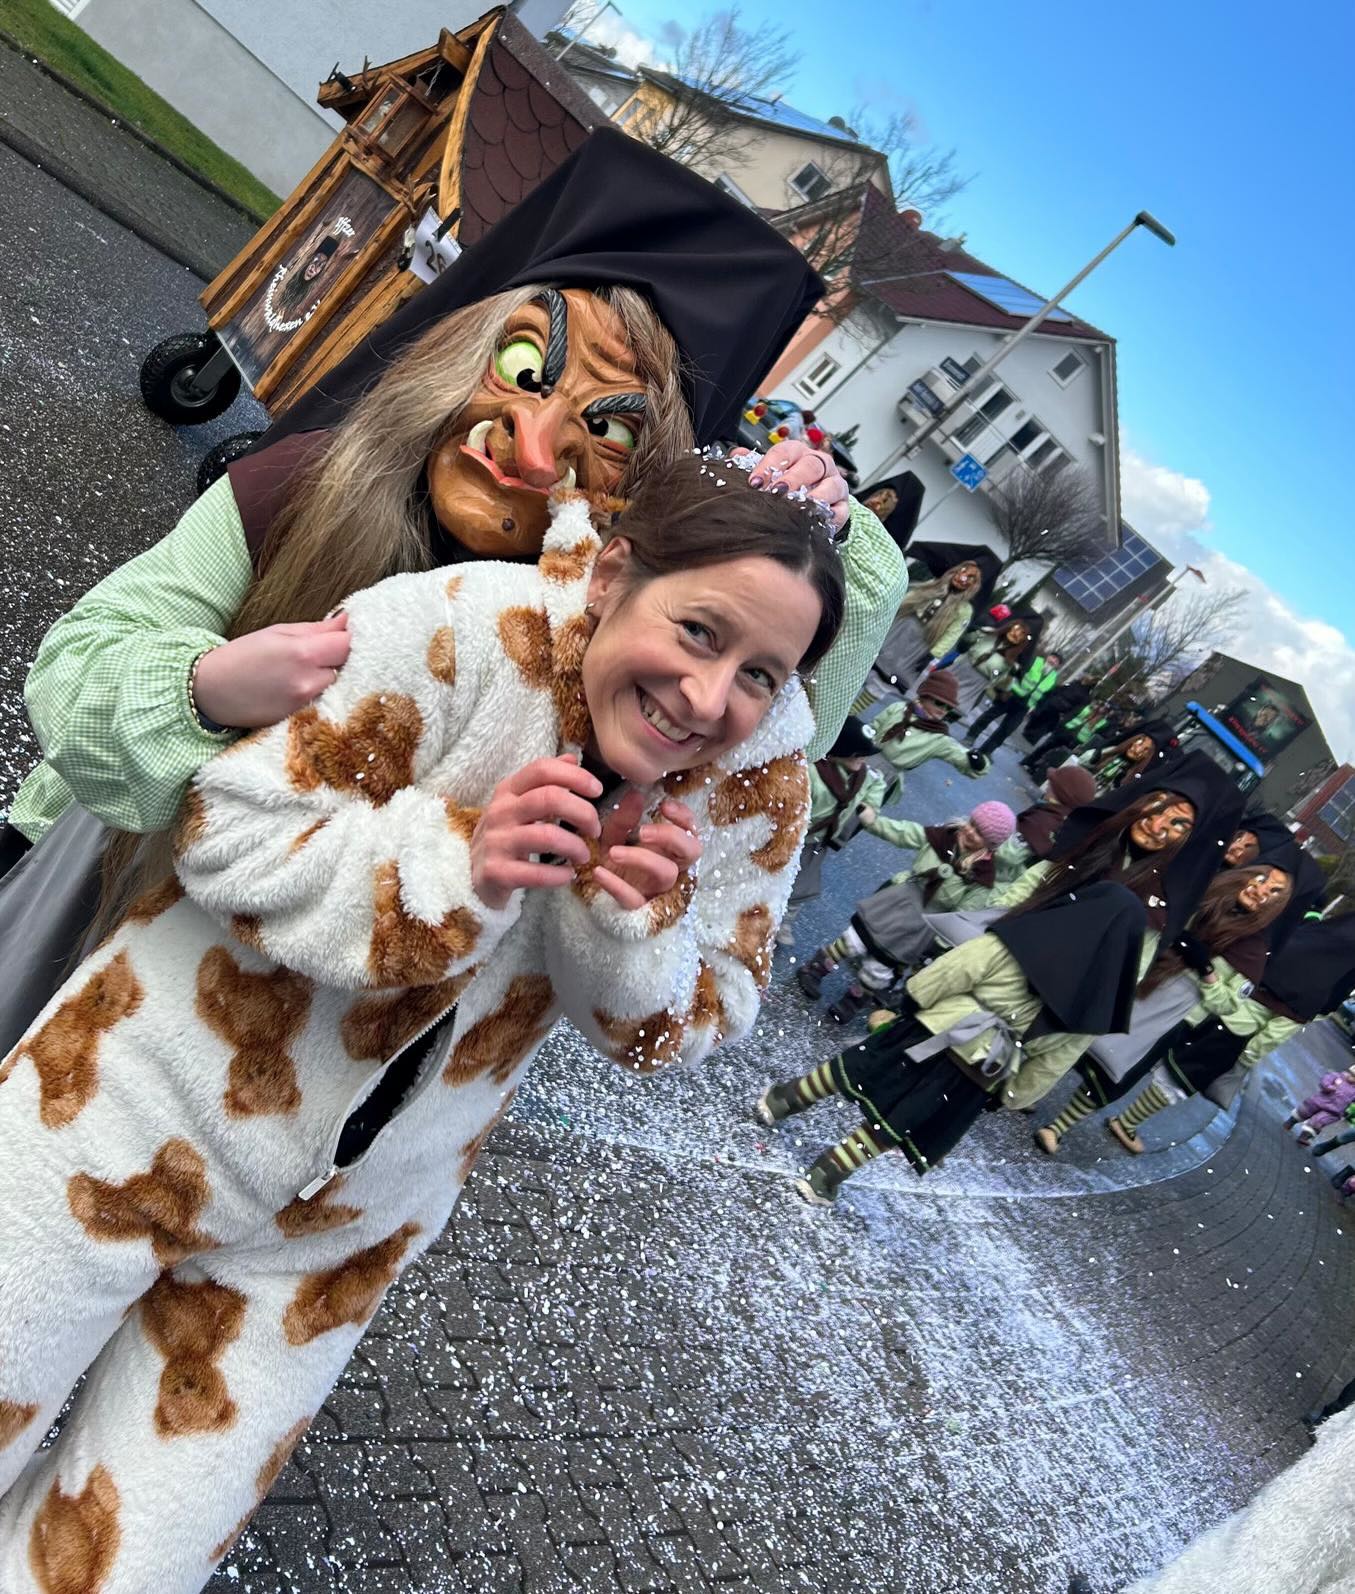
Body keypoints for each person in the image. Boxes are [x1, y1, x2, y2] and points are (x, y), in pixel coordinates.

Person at [0, 457, 842, 1591]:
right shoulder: (456, 625)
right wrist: (454, 865)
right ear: (613, 574)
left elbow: (681, 1026)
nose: (708, 700)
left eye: (760, 674)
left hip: (330, 1245)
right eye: (698, 632)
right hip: (127, 1111)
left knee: (114, 1569)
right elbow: (224, 830)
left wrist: (629, 932)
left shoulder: (752, 788)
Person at [0, 129, 905, 1055]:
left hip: (296, 1046)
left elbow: (783, 726)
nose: (535, 446)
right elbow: (82, 666)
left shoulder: (607, 634)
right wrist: (202, 692)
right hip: (102, 892)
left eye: (612, 433)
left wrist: (832, 531)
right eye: (522, 371)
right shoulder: (300, 490)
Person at [758, 882, 1147, 1203]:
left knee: (855, 1068)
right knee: (898, 1119)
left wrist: (916, 997)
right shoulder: (1092, 1008)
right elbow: (1052, 1063)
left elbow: (959, 969)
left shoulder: (1022, 942)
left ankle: (781, 1101)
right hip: (982, 1070)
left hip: (937, 1026)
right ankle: (827, 1173)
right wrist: (1011, 1095)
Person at [1035, 859, 1294, 1154]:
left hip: (1169, 1019)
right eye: (1261, 879)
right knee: (1071, 1035)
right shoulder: (1202, 898)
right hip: (1138, 979)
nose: (1262, 891)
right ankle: (1032, 1090)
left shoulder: (1253, 951)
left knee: (1110, 1070)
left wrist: (1206, 971)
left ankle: (1057, 1127)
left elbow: (1229, 1004)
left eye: (1274, 892)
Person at [795, 799, 1017, 1020]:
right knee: (854, 940)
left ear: (990, 846)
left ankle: (853, 1000)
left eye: (979, 833)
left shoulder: (982, 877)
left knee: (881, 967)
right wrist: (874, 822)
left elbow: (964, 915)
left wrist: (939, 944)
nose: (970, 832)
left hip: (924, 923)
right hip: (901, 900)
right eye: (972, 823)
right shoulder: (942, 838)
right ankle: (815, 969)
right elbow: (904, 833)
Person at [776, 716, 886, 949]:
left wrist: (871, 806)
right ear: (842, 750)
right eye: (859, 754)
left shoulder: (863, 776)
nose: (864, 760)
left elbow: (878, 784)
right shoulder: (814, 772)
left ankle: (784, 921)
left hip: (816, 842)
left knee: (802, 884)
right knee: (770, 872)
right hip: (790, 834)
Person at [852, 541, 1000, 713]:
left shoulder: (963, 610)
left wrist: (932, 655)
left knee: (881, 684)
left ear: (975, 585)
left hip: (915, 649)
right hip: (896, 632)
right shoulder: (934, 585)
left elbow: (952, 634)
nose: (964, 577)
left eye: (972, 577)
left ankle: (850, 715)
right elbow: (908, 599)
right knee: (861, 667)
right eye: (964, 570)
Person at [867, 668, 990, 786]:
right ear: (925, 696)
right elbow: (873, 727)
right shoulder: (899, 708)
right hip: (865, 757)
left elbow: (960, 756)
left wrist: (978, 762)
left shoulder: (939, 737)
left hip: (884, 776)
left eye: (949, 708)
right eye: (939, 703)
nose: (943, 710)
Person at [992, 763, 1099, 882]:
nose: (1048, 783)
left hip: (998, 879)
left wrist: (983, 848)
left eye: (1052, 783)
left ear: (1061, 793)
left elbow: (1006, 855)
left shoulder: (1042, 822)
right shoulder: (1068, 824)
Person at [965, 650, 1063, 761]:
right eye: (1053, 657)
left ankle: (987, 750)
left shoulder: (1053, 679)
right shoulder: (1034, 661)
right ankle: (971, 736)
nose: (1053, 661)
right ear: (1048, 656)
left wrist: (1034, 710)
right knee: (990, 715)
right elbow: (1015, 673)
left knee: (1007, 729)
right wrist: (1004, 689)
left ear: (1058, 666)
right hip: (1011, 695)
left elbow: (1046, 697)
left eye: (1057, 661)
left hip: (1024, 706)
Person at [948, 611, 1042, 719]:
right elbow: (965, 644)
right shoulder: (990, 634)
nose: (1017, 634)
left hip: (971, 681)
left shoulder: (1014, 658)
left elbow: (1003, 682)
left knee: (948, 706)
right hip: (962, 674)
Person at [1021, 697, 1111, 783]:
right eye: (1101, 706)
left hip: (1076, 741)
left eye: (1104, 709)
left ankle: (1039, 771)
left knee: (1057, 756)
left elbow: (1094, 737)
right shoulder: (1086, 708)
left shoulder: (1103, 723)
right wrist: (1059, 728)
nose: (1101, 709)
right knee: (1045, 747)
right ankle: (1028, 762)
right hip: (1065, 731)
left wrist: (1082, 747)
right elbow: (1070, 715)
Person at [1084, 720, 1178, 789]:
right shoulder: (1104, 753)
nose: (1137, 750)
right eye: (1140, 742)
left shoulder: (1132, 780)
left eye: (1146, 750)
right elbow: (1083, 762)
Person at [1285, 1065, 1355, 1143]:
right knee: (1304, 1111)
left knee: (1318, 1122)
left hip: (1333, 1111)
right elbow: (1325, 1080)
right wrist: (1328, 1086)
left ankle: (1304, 1137)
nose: (1352, 1078)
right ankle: (1290, 1122)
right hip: (1319, 1100)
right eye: (1352, 1075)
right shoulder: (1337, 1077)